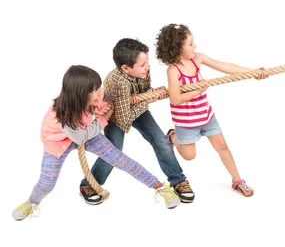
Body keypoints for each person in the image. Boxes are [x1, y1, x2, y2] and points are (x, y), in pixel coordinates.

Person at [13, 65, 180, 220]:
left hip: (88, 131)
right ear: (79, 95)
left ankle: (160, 187)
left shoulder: (96, 98)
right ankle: (32, 202)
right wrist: (104, 118)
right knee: (47, 182)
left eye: (99, 86)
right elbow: (80, 138)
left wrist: (152, 95)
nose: (100, 93)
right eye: (94, 90)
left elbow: (122, 100)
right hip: (59, 142)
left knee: (120, 159)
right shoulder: (63, 116)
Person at [155, 23, 268, 197]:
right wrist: (197, 90)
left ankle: (237, 180)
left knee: (222, 146)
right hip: (186, 122)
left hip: (206, 116)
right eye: (191, 44)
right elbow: (176, 99)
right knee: (189, 156)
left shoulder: (197, 58)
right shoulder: (173, 70)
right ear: (177, 48)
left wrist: (252, 72)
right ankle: (173, 136)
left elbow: (226, 67)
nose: (195, 46)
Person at [78, 38, 195, 205]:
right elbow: (124, 117)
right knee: (113, 150)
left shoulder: (142, 70)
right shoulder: (118, 81)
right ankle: (89, 184)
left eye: (147, 62)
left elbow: (144, 92)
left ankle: (178, 180)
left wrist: (151, 94)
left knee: (160, 140)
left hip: (137, 110)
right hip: (116, 116)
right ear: (126, 68)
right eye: (142, 65)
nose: (147, 67)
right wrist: (146, 99)